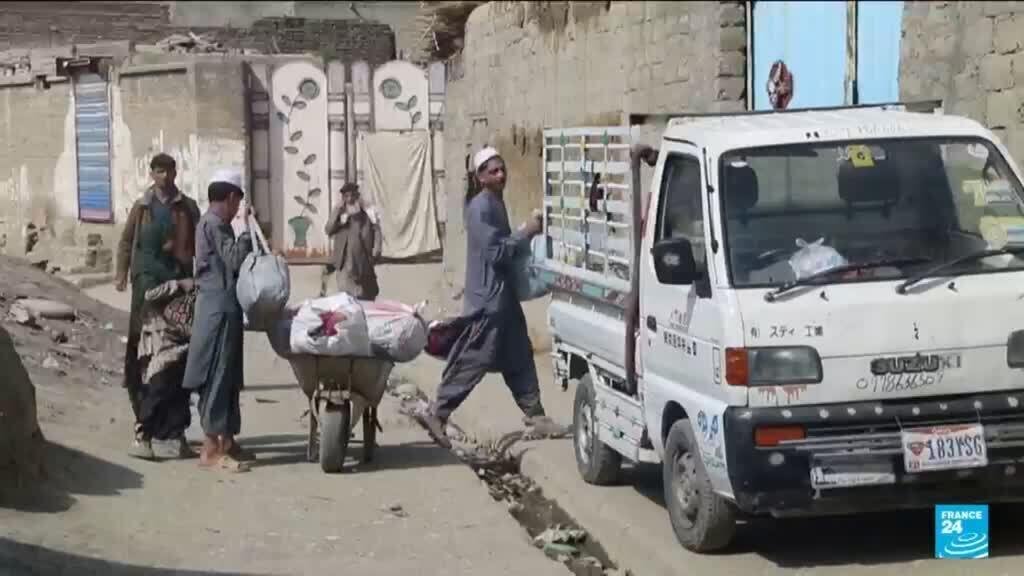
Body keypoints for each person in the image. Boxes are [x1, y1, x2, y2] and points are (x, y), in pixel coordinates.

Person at [418, 146, 559, 448]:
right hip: (489, 302)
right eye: (493, 171)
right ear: (481, 177)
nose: (501, 174)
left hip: (504, 299)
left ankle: (536, 415)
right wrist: (527, 232)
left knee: (520, 356)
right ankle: (438, 412)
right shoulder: (481, 207)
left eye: (502, 169)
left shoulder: (495, 202)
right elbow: (496, 253)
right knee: (473, 359)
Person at [115, 153, 200, 459]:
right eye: (157, 170)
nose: (162, 176)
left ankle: (176, 434)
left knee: (178, 361)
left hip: (179, 293)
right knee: (145, 361)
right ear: (152, 174)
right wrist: (122, 274)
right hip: (147, 295)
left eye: (167, 170)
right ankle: (145, 429)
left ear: (176, 173)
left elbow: (200, 246)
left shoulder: (187, 207)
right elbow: (127, 243)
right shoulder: (141, 208)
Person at [182, 168, 254, 473]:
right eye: (237, 202)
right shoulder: (216, 225)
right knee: (217, 376)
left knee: (230, 377)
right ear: (229, 197)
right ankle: (211, 448)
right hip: (218, 310)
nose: (238, 209)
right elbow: (235, 259)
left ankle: (227, 440)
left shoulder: (210, 223)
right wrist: (248, 232)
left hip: (225, 308)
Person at [135, 271, 198, 460]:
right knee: (157, 390)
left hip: (183, 345)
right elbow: (148, 293)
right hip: (160, 344)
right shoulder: (151, 269)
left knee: (180, 393)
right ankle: (142, 436)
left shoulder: (182, 265)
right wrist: (177, 284)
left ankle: (176, 439)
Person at [323, 183, 383, 300]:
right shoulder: (340, 214)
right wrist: (336, 211)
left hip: (362, 263)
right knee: (346, 297)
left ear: (357, 196)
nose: (350, 199)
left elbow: (377, 230)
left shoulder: (368, 212)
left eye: (352, 196)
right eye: (346, 196)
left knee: (364, 296)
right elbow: (328, 229)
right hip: (344, 265)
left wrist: (377, 248)